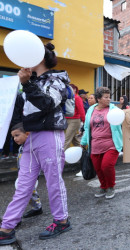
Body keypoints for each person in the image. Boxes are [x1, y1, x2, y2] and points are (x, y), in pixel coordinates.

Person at [0, 43, 71, 245]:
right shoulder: (30, 81)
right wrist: (16, 129)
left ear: (40, 58)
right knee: (23, 185)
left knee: (53, 181)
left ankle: (62, 220)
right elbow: (19, 109)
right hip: (30, 138)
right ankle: (6, 227)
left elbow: (48, 103)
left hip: (49, 135)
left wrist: (28, 84)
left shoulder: (57, 79)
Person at [80, 87, 123, 199]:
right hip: (95, 145)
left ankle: (111, 187)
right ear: (99, 98)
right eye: (106, 97)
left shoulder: (114, 110)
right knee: (98, 168)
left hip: (111, 144)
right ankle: (103, 186)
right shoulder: (91, 110)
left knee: (107, 166)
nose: (109, 99)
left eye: (109, 97)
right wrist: (84, 141)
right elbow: (87, 127)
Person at [11, 123, 43, 219]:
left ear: (27, 134)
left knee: (25, 193)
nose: (15, 139)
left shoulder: (33, 147)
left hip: (30, 175)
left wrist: (36, 175)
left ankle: (16, 216)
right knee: (29, 192)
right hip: (23, 173)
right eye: (13, 137)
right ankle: (37, 207)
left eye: (17, 135)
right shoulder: (22, 146)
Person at [64, 84, 85, 151]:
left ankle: (62, 158)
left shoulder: (77, 98)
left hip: (74, 120)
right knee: (75, 140)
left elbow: (81, 110)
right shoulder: (66, 98)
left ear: (75, 90)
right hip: (67, 120)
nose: (71, 90)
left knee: (66, 139)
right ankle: (84, 154)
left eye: (73, 88)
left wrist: (84, 121)